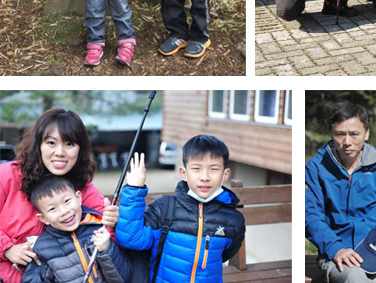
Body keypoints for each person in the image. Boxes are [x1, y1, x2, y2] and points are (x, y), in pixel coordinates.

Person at [0, 109, 115, 283]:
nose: (60, 152)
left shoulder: (82, 189)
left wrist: (113, 222)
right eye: (51, 143)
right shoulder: (8, 175)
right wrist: (7, 248)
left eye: (69, 144)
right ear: (38, 144)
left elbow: (109, 235)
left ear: (80, 149)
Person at [117, 138, 244, 283]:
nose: (205, 177)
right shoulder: (164, 208)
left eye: (214, 169)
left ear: (225, 174)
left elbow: (226, 253)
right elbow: (131, 239)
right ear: (183, 173)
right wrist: (134, 189)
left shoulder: (234, 220)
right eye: (196, 169)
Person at [305, 101, 376, 283]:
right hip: (336, 254)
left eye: (354, 134)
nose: (347, 142)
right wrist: (335, 248)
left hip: (375, 254)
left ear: (367, 133)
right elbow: (310, 216)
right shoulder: (315, 168)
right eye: (340, 134)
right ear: (331, 134)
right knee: (354, 277)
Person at [23, 176, 132, 283]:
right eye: (52, 209)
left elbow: (124, 277)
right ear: (43, 218)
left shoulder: (99, 225)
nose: (64, 211)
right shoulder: (42, 247)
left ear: (78, 198)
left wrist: (107, 250)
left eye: (67, 201)